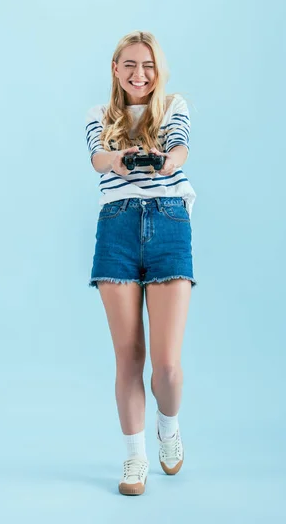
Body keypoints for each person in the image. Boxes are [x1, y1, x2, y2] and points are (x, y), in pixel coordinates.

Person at [85, 30, 197, 496]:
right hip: (117, 227)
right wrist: (121, 159)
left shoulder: (174, 106)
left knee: (166, 366)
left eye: (148, 65)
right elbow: (97, 157)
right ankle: (134, 459)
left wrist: (166, 160)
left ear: (159, 70)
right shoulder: (99, 115)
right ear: (116, 69)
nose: (140, 74)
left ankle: (168, 428)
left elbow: (179, 147)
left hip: (170, 223)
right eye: (130, 64)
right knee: (128, 357)